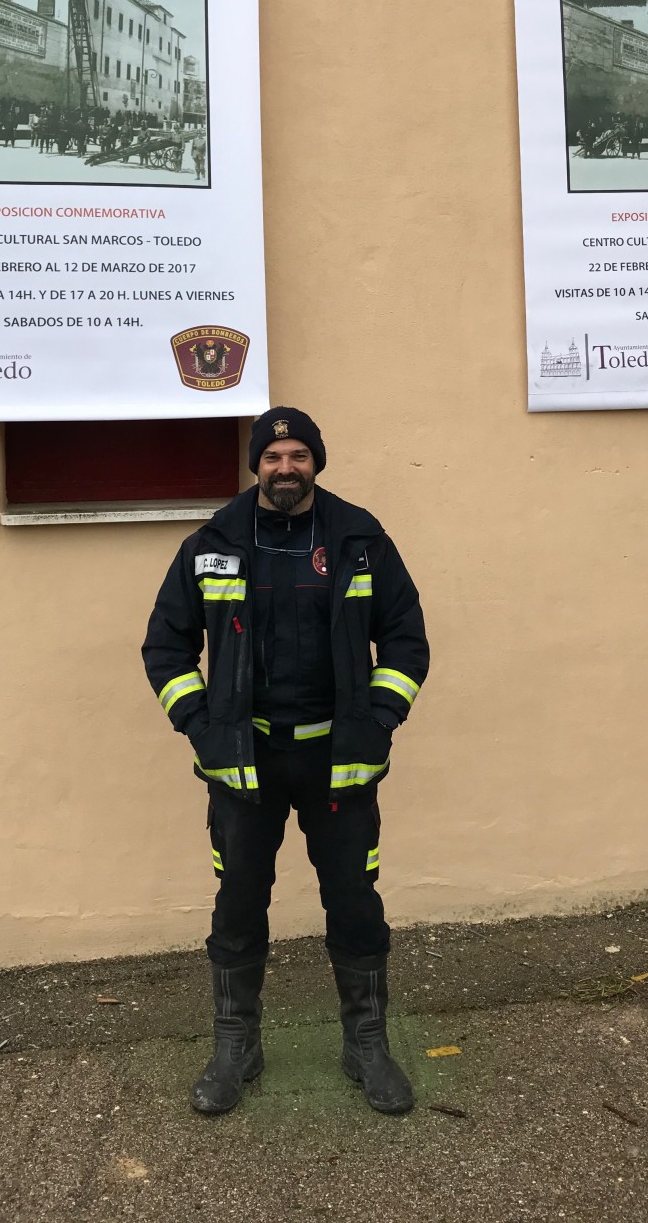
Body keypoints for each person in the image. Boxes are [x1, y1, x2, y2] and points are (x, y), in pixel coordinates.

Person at [142, 407, 429, 1116]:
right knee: (238, 904)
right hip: (246, 765)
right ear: (255, 466)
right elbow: (165, 648)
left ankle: (366, 1045)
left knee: (355, 904)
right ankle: (236, 1047)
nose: (285, 468)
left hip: (340, 762)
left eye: (298, 455)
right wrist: (203, 730)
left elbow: (407, 642)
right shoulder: (211, 544)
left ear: (316, 462)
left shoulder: (361, 539)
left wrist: (379, 718)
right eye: (273, 458)